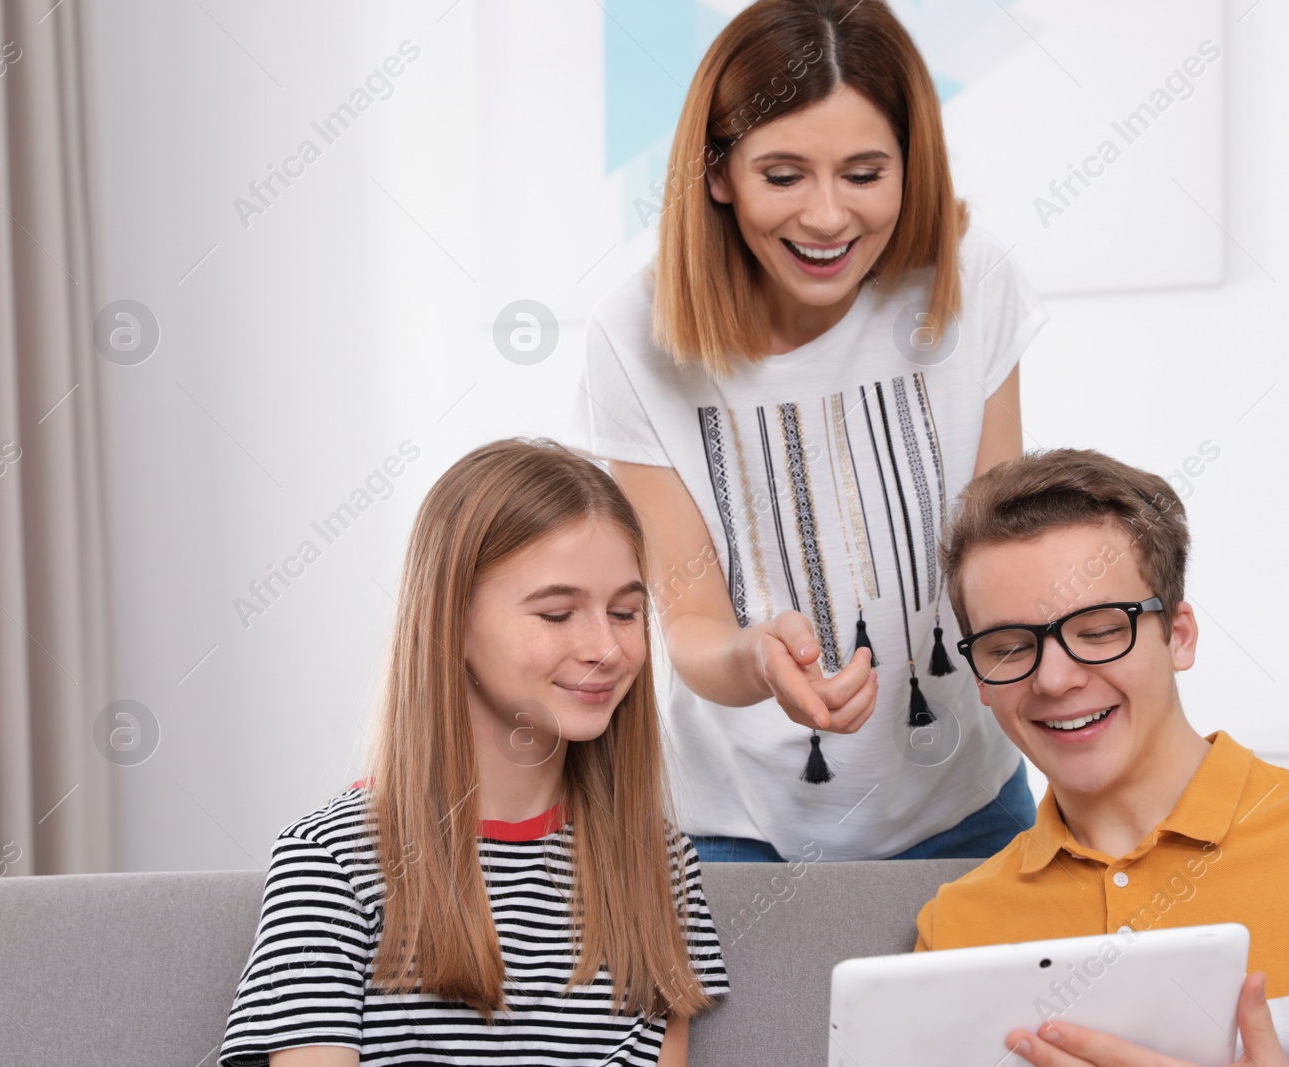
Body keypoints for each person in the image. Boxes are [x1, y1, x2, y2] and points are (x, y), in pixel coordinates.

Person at [578, 0, 1048, 863]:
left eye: (865, 174)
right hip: (736, 826)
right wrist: (758, 660)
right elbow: (688, 622)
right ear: (718, 173)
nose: (828, 218)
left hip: (967, 804)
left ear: (912, 167)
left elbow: (1002, 553)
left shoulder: (970, 281)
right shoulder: (634, 335)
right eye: (784, 175)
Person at [914, 447, 1289, 1066]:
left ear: (1179, 635)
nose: (1055, 679)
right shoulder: (955, 925)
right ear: (978, 676)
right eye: (1008, 647)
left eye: (1100, 630)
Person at [218, 439, 730, 1067]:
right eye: (557, 613)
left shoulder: (659, 861)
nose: (606, 647)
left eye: (625, 612)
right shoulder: (332, 863)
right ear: (451, 621)